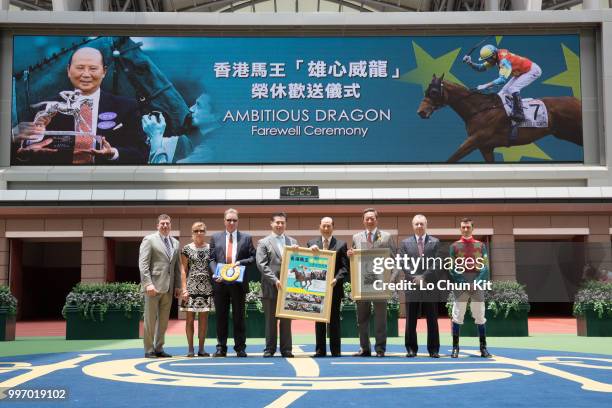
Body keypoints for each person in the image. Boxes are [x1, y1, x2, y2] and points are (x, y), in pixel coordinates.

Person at [14, 47, 148, 164]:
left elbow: (141, 153)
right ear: (68, 70)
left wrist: (113, 153)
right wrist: (25, 155)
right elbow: (22, 154)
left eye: (93, 68)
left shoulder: (126, 107)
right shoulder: (46, 109)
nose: (86, 74)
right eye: (80, 68)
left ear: (104, 72)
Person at [347, 208, 397, 358]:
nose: (369, 221)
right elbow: (354, 261)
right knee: (362, 319)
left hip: (380, 285)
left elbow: (394, 261)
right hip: (362, 285)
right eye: (367, 218)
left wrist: (390, 280)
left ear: (377, 219)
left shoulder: (387, 237)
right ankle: (364, 348)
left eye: (372, 218)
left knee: (381, 319)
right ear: (363, 220)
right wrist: (350, 255)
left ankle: (380, 349)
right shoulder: (356, 237)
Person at [208, 208, 256, 358]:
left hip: (238, 284)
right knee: (221, 317)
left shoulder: (246, 238)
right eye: (229, 220)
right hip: (220, 284)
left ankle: (240, 348)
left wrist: (239, 262)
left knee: (239, 317)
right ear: (224, 221)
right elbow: (211, 259)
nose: (231, 222)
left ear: (238, 221)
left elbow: (253, 258)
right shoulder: (215, 238)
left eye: (234, 220)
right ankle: (221, 348)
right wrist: (216, 274)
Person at [448, 217, 492, 359]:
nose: (466, 229)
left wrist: (477, 282)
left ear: (473, 228)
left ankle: (483, 348)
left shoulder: (481, 246)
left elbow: (485, 267)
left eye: (468, 227)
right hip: (461, 284)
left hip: (477, 283)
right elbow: (452, 268)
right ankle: (455, 348)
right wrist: (463, 282)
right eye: (463, 227)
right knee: (457, 315)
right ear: (460, 229)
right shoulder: (454, 246)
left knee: (480, 315)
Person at [462, 44, 541, 122]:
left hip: (531, 70)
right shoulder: (496, 56)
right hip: (520, 72)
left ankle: (519, 114)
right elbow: (481, 68)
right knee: (502, 93)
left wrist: (485, 85)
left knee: (513, 89)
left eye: (487, 59)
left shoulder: (503, 60)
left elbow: (502, 79)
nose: (487, 61)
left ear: (493, 56)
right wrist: (470, 63)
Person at [256, 212, 298, 358]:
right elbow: (262, 265)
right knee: (270, 321)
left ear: (286, 224)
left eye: (282, 222)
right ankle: (270, 349)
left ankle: (287, 349)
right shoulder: (263, 242)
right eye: (277, 222)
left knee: (286, 320)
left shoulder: (293, 242)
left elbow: (298, 262)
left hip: (289, 288)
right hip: (270, 287)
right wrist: (275, 280)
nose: (280, 225)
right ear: (271, 224)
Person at [139, 214, 182, 358]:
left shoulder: (175, 242)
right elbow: (143, 264)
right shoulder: (149, 240)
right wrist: (148, 284)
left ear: (170, 225)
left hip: (168, 288)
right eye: (162, 223)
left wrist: (177, 286)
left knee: (164, 321)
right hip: (153, 287)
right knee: (150, 320)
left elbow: (176, 266)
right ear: (157, 225)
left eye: (167, 223)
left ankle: (159, 348)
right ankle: (149, 349)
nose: (165, 226)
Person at [399, 214, 441, 358]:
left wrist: (423, 277)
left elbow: (437, 263)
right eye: (416, 224)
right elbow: (404, 263)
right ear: (412, 225)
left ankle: (434, 349)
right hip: (412, 285)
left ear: (426, 224)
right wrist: (415, 277)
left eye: (421, 224)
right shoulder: (405, 243)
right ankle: (411, 348)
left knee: (432, 318)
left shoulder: (435, 242)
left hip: (430, 285)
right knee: (410, 319)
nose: (419, 226)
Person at [308, 216, 349, 358]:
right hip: (316, 289)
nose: (326, 228)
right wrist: (308, 252)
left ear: (333, 227)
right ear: (319, 227)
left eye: (329, 226)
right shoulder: (311, 243)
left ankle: (336, 351)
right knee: (319, 321)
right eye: (324, 226)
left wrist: (336, 279)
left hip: (334, 289)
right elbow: (306, 265)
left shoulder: (341, 244)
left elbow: (344, 268)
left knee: (334, 321)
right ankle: (320, 350)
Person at [141, 93, 220, 163]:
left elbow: (168, 175)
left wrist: (155, 136)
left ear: (216, 116)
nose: (191, 109)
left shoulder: (209, 150)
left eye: (198, 105)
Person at [180, 221, 213, 357]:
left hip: (206, 288)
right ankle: (190, 349)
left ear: (205, 232)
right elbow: (183, 269)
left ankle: (201, 349)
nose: (199, 233)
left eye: (201, 231)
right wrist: (184, 289)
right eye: (196, 231)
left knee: (204, 320)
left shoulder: (211, 248)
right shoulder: (186, 249)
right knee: (189, 320)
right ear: (192, 233)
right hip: (191, 288)